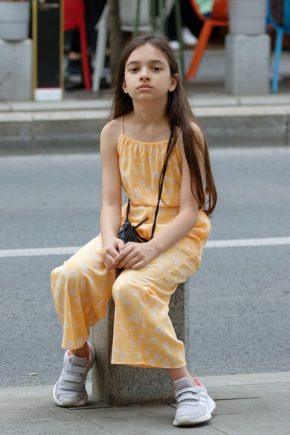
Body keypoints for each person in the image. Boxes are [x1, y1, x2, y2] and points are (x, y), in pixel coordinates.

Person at [50, 33, 217, 427]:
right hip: (129, 227)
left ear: (172, 81)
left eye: (156, 68)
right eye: (135, 68)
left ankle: (187, 385)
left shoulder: (187, 133)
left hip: (177, 235)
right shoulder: (113, 132)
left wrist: (152, 250)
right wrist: (110, 243)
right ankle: (78, 354)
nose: (145, 75)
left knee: (131, 289)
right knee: (72, 274)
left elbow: (191, 211)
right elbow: (110, 202)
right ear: (123, 82)